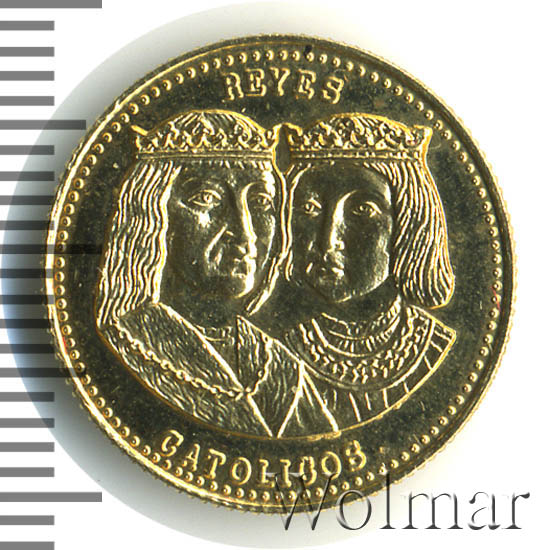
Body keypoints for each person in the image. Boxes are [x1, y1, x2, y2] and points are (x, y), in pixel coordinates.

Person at [95, 109, 337, 437]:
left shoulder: (278, 365)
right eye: (206, 199)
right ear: (153, 215)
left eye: (260, 202)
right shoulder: (127, 345)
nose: (245, 233)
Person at [280, 113, 456, 430]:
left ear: (409, 225)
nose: (327, 239)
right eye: (310, 209)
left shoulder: (440, 351)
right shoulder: (271, 357)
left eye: (362, 210)